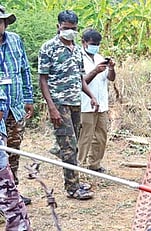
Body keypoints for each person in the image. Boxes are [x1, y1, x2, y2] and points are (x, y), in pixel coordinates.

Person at [38, 10, 98, 200]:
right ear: (58, 27)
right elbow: (43, 79)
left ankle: (72, 174)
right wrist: (51, 107)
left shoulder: (78, 50)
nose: (69, 32)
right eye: (66, 28)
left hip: (75, 102)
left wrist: (91, 96)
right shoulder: (49, 48)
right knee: (70, 146)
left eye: (73, 29)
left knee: (73, 144)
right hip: (59, 102)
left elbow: (80, 78)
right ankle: (72, 188)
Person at [0, 5, 34, 205]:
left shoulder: (15, 41)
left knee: (14, 149)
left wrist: (28, 98)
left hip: (16, 105)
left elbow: (24, 70)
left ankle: (12, 194)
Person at [77, 28, 115, 173]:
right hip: (86, 105)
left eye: (98, 43)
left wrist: (111, 68)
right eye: (93, 43)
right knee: (85, 137)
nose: (95, 46)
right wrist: (95, 71)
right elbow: (81, 82)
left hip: (102, 104)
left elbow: (110, 78)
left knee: (101, 136)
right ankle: (79, 166)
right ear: (84, 42)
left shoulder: (99, 58)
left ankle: (95, 164)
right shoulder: (78, 58)